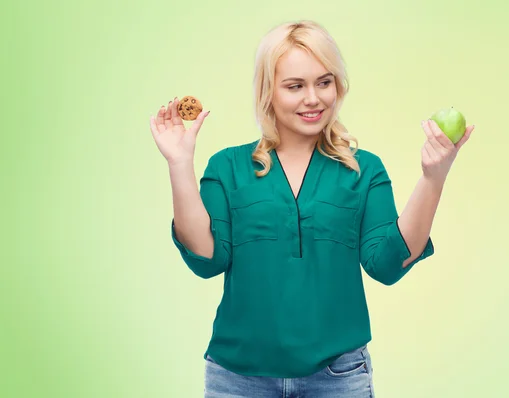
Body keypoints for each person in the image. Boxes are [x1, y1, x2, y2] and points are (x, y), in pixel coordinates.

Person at [149, 19, 474, 398]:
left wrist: (433, 178)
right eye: (295, 86)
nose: (314, 99)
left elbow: (387, 266)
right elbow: (206, 259)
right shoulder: (228, 167)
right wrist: (179, 163)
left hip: (337, 377)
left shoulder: (363, 169)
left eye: (324, 82)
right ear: (268, 92)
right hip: (237, 378)